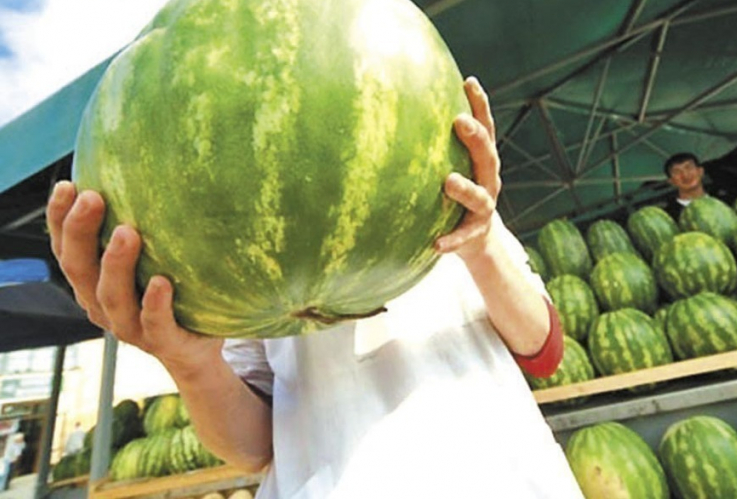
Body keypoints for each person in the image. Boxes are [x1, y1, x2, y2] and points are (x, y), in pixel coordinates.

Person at [47, 78, 585, 498]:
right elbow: (254, 447)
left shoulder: (447, 208)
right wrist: (191, 363)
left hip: (501, 481)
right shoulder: (246, 253)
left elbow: (542, 348)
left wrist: (482, 241)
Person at [662, 152, 709, 221]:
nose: (685, 175)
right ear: (671, 181)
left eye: (689, 168)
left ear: (700, 171)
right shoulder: (669, 217)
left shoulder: (723, 200)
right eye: (677, 172)